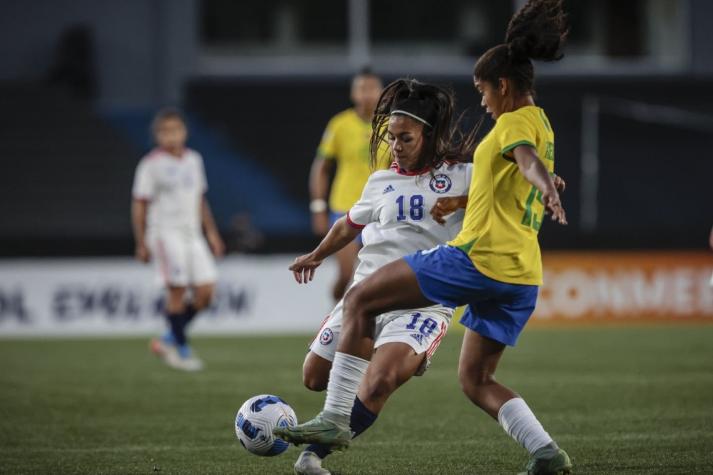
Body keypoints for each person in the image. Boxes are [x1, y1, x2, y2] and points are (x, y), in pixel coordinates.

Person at [275, 1, 572, 474]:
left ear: (502, 85)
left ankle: (332, 422)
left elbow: (523, 159)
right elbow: (522, 167)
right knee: (476, 380)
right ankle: (547, 454)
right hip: (521, 276)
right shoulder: (541, 124)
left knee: (363, 302)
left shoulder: (510, 126)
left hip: (476, 260)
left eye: (483, 91)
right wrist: (538, 185)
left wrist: (540, 181)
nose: (482, 102)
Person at [290, 78, 477, 475]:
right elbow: (348, 224)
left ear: (429, 134)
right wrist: (317, 256)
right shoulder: (380, 182)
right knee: (312, 377)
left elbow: (507, 190)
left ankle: (313, 456)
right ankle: (354, 371)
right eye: (391, 138)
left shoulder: (464, 175)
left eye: (405, 138)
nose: (395, 146)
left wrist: (544, 184)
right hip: (365, 295)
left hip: (423, 302)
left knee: (380, 382)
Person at [132, 108, 225, 372]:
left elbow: (200, 200)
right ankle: (181, 350)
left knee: (206, 291)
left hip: (192, 233)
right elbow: (139, 204)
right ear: (157, 136)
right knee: (178, 289)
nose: (171, 136)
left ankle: (168, 337)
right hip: (164, 233)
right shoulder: (151, 165)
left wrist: (212, 233)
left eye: (175, 130)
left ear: (184, 131)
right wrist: (140, 241)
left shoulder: (194, 160)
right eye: (164, 131)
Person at [309, 68, 390, 301]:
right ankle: (336, 315)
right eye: (361, 89)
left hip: (380, 210)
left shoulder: (391, 125)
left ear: (381, 92)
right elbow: (321, 168)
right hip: (345, 207)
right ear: (353, 93)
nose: (367, 94)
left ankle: (361, 323)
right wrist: (318, 207)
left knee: (375, 277)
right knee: (346, 275)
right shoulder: (340, 124)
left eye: (372, 88)